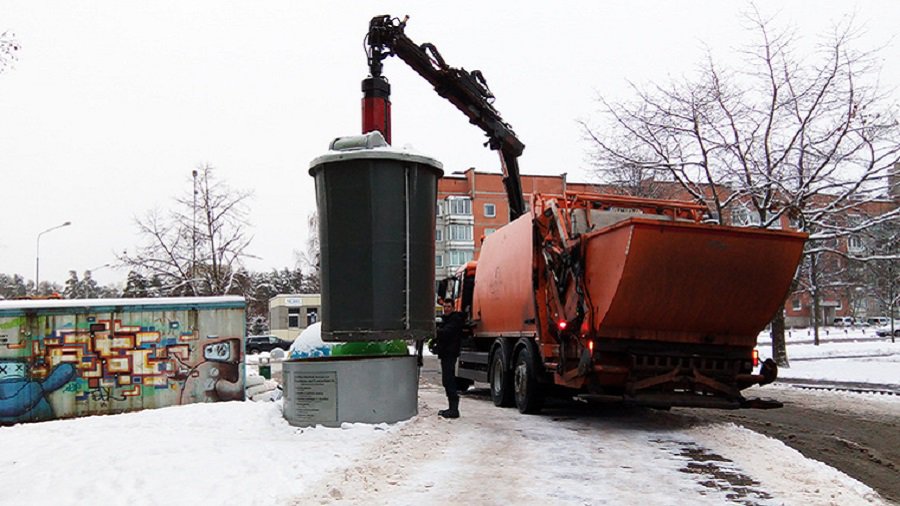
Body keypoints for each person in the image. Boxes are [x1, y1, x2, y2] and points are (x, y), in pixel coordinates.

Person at [435, 300, 466, 419]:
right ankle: (451, 408)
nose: (446, 309)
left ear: (453, 308)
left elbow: (446, 333)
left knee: (449, 380)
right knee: (446, 380)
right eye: (445, 306)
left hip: (450, 354)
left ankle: (454, 409)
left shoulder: (455, 320)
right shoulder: (447, 320)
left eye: (448, 306)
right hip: (446, 354)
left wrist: (436, 332)